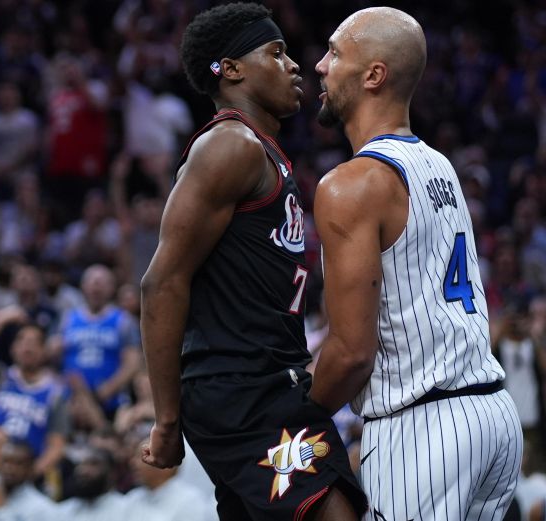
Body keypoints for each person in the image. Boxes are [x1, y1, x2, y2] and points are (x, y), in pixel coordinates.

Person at [139, 3, 366, 520]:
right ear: (232, 69)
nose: (295, 66)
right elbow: (161, 283)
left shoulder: (262, 150)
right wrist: (166, 420)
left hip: (264, 383)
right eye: (276, 52)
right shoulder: (229, 146)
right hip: (243, 392)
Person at [310, 7, 522, 520]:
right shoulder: (438, 164)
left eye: (335, 53)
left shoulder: (350, 185)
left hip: (424, 427)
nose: (319, 65)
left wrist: (296, 418)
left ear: (373, 75)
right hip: (491, 415)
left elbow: (353, 351)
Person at [0, 306, 70, 479]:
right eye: (22, 341)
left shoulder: (56, 393)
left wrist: (29, 476)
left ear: (44, 351)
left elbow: (57, 446)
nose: (27, 347)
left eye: (34, 342)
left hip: (26, 472)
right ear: (13, 349)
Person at [51, 264, 141, 416]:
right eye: (92, 281)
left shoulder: (124, 321)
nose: (96, 286)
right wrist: (54, 347)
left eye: (102, 282)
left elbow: (133, 363)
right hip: (71, 400)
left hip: (111, 399)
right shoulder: (67, 318)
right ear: (83, 286)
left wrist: (107, 389)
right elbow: (51, 352)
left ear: (112, 288)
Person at [0, 441, 65, 521]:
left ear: (30, 469)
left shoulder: (42, 510)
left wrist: (1, 511)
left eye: (18, 463)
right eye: (5, 461)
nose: (9, 468)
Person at [59, 447, 126, 521]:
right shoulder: (65, 510)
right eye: (80, 464)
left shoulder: (125, 508)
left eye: (93, 464)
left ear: (112, 473)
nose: (83, 471)